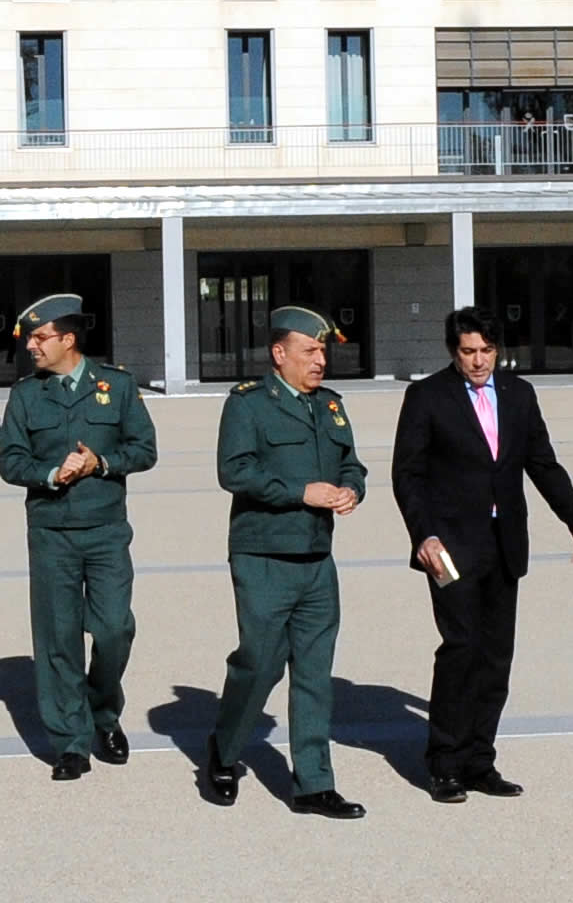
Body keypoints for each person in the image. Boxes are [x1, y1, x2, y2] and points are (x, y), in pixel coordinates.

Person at [391, 306, 573, 804]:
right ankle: (443, 764)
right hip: (449, 548)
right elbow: (408, 475)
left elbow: (542, 464)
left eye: (486, 350)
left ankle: (479, 760)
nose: (478, 360)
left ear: (497, 350)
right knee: (460, 649)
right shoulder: (426, 397)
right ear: (452, 351)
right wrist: (424, 535)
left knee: (495, 657)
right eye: (468, 352)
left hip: (504, 543)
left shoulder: (518, 395)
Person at [201, 307, 368, 819]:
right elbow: (235, 471)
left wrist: (351, 490)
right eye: (310, 352)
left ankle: (314, 784)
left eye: (323, 352)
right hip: (264, 555)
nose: (321, 361)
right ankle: (224, 751)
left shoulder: (332, 407)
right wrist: (301, 492)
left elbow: (351, 463)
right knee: (260, 664)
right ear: (280, 354)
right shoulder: (249, 405)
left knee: (315, 673)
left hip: (317, 556)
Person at [0, 293, 158, 782]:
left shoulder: (118, 386)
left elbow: (144, 449)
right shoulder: (26, 395)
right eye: (30, 338)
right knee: (57, 639)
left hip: (106, 530)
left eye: (40, 338)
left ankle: (103, 713)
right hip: (51, 532)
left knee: (114, 629)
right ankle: (70, 741)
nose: (31, 346)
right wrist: (49, 474)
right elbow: (9, 461)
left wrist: (101, 463)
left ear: (68, 339)